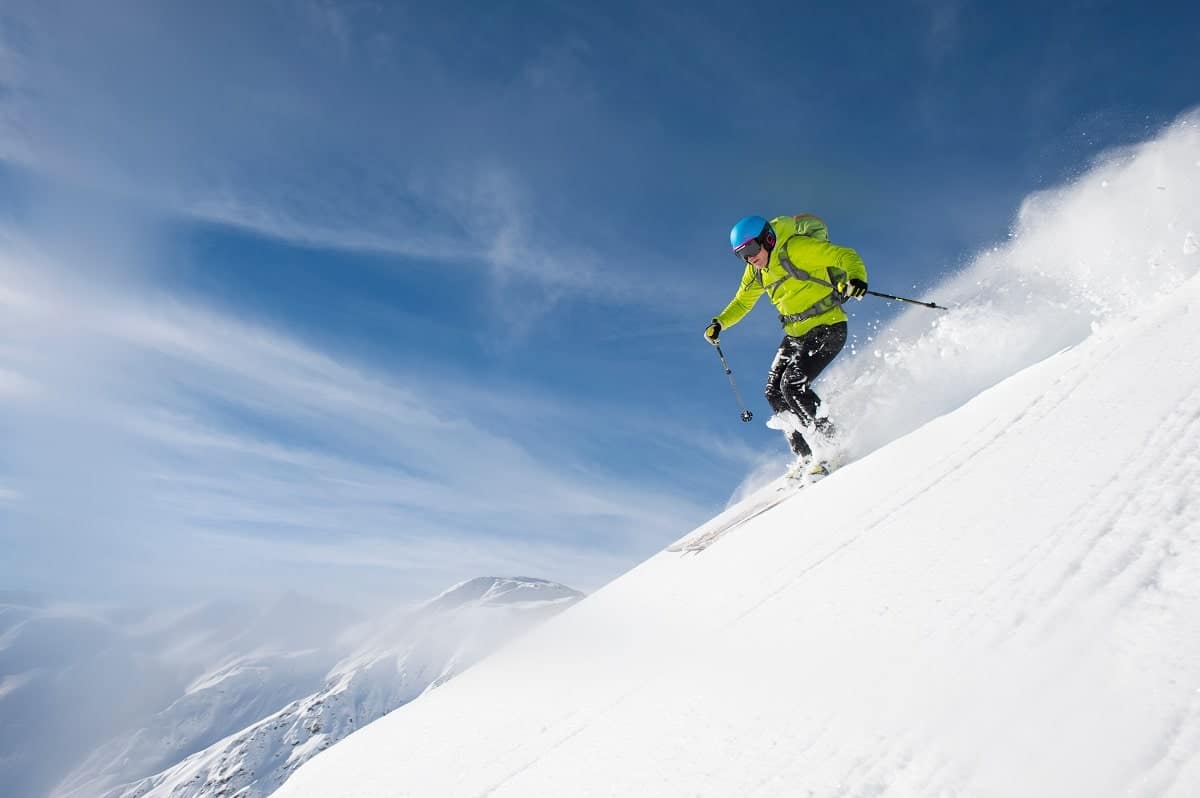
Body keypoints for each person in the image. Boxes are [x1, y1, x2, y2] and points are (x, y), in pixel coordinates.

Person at [704, 214, 868, 468]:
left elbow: (844, 255)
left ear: (767, 240)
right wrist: (719, 323)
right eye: (741, 254)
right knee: (773, 393)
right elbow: (742, 302)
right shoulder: (756, 272)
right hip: (796, 334)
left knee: (791, 385)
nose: (749, 257)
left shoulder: (796, 249)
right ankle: (804, 455)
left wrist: (856, 277)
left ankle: (832, 445)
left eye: (751, 248)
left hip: (828, 327)